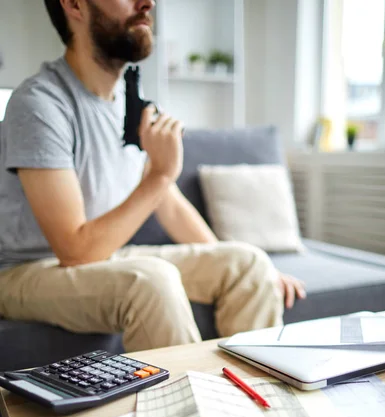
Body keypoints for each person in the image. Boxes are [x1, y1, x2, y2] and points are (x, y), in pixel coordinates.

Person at [0, 0, 306, 352]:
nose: (148, 3)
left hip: (106, 256)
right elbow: (75, 250)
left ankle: (247, 401)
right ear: (74, 6)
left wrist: (264, 277)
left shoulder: (134, 107)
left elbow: (171, 207)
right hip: (27, 271)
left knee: (248, 263)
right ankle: (187, 405)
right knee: (152, 280)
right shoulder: (40, 103)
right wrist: (160, 175)